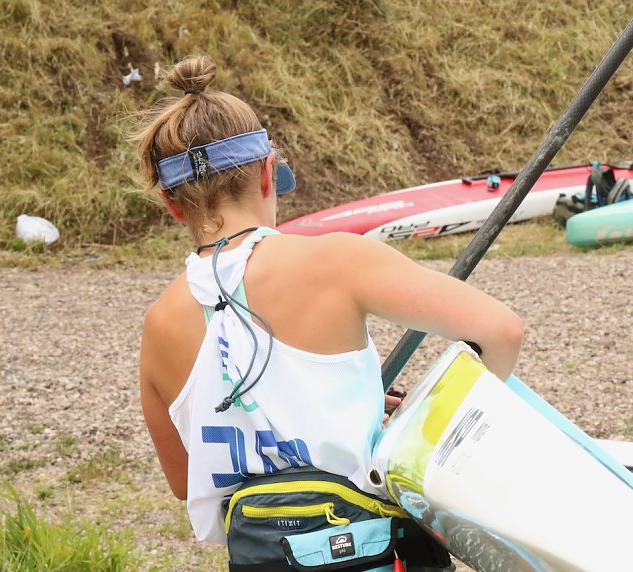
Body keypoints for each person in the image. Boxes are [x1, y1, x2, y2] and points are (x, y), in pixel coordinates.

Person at [137, 55, 523, 567]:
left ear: (173, 204)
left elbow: (188, 482)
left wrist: (346, 407)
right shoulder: (336, 260)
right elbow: (501, 332)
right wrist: (414, 430)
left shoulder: (158, 324)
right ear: (269, 174)